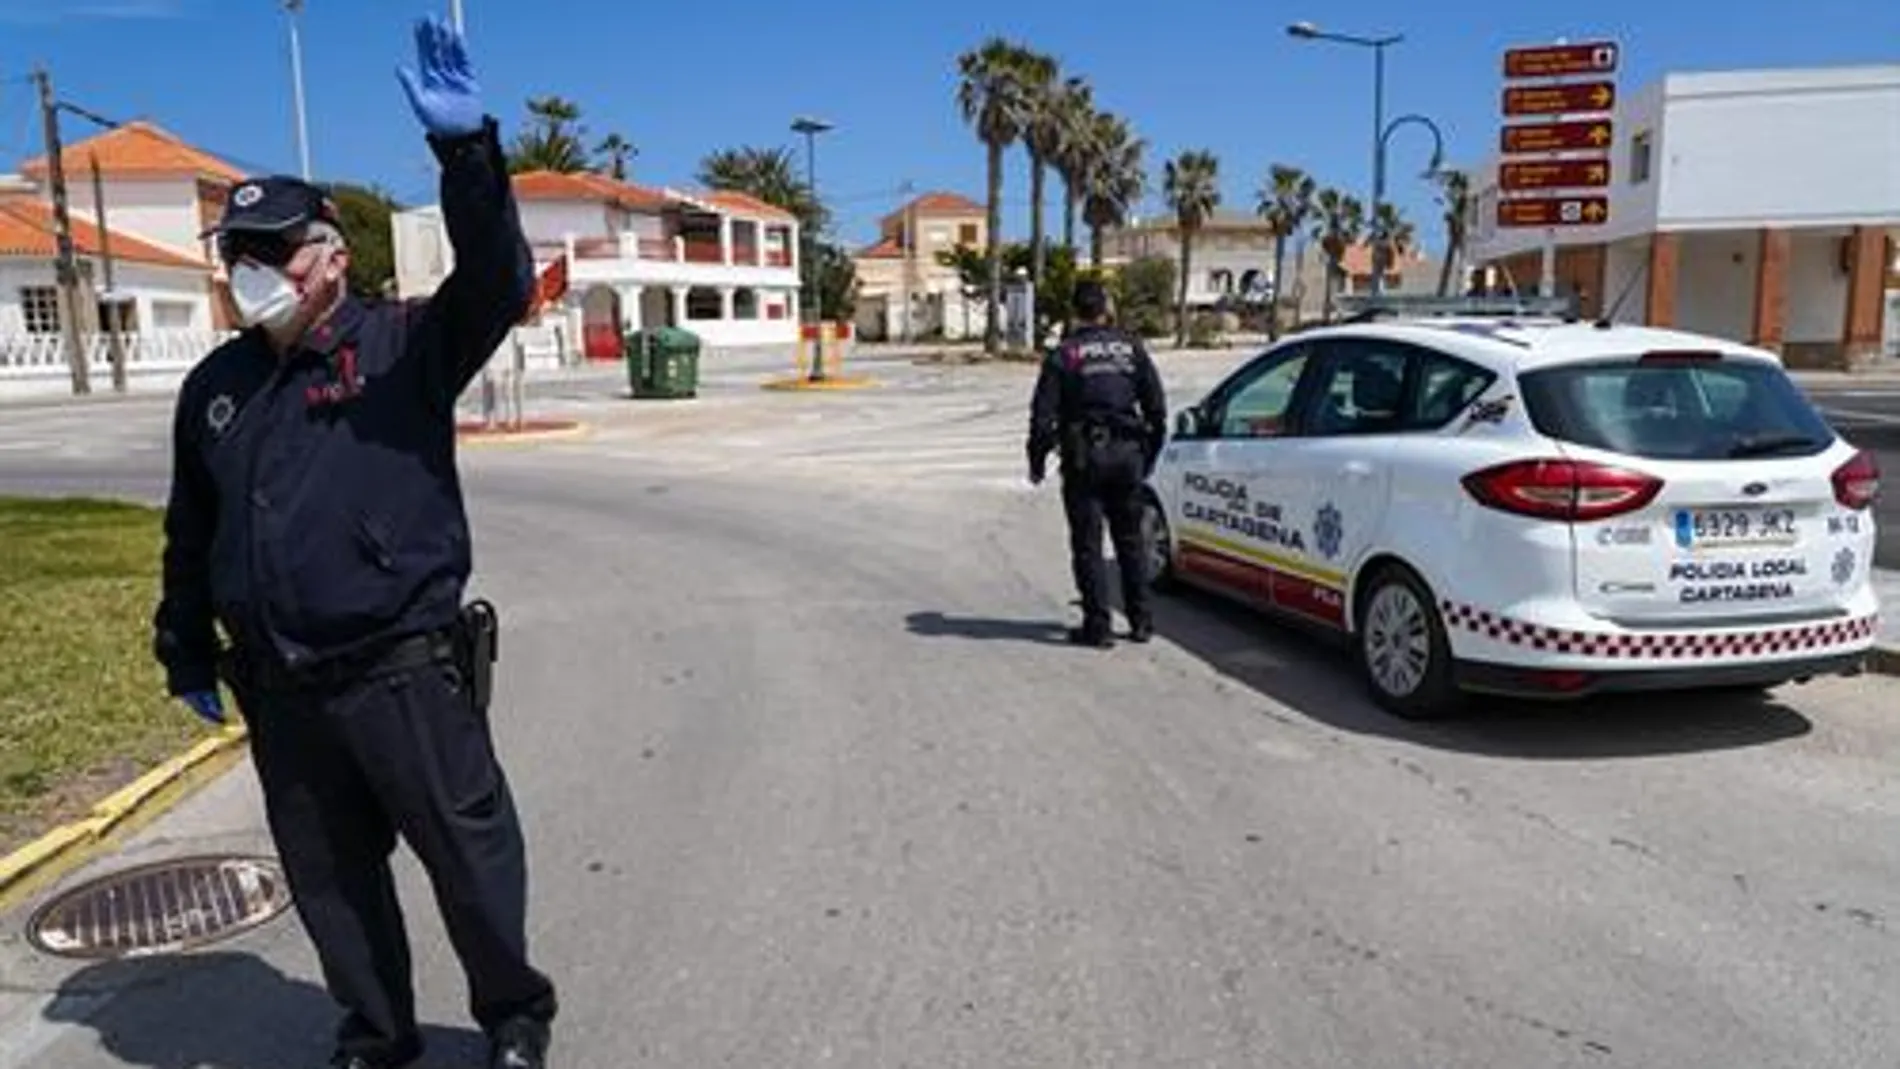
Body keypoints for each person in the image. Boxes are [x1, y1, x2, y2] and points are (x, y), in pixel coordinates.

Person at [150, 17, 556, 1069]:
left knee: (469, 863)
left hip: (402, 676)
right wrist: (185, 644)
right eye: (237, 252)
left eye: (273, 248)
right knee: (332, 884)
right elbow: (191, 527)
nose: (251, 269)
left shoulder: (404, 345)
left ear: (330, 255)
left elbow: (500, 280)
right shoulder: (216, 388)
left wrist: (467, 154)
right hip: (283, 691)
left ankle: (514, 1014)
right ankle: (378, 1029)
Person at [1026, 278, 1169, 648]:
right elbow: (1157, 409)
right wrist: (1147, 455)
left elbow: (1042, 418)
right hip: (1127, 458)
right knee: (1130, 540)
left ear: (1074, 312)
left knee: (1088, 545)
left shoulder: (1065, 355)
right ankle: (1141, 621)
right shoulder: (1130, 349)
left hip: (1084, 459)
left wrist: (1036, 461)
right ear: (1105, 309)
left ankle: (1099, 626)